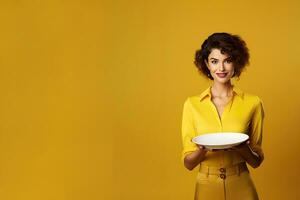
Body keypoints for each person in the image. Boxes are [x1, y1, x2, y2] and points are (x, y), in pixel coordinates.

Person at [181, 32, 265, 200]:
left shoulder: (253, 103)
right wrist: (201, 150)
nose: (221, 68)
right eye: (214, 61)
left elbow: (256, 162)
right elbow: (188, 163)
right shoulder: (192, 104)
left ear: (236, 63)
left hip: (241, 183)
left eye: (227, 60)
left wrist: (243, 148)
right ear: (206, 64)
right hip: (206, 184)